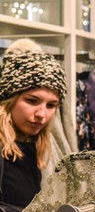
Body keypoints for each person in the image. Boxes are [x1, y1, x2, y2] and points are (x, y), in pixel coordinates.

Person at [0, 38, 67, 208]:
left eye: (51, 105)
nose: (41, 114)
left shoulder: (43, 147)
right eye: (32, 101)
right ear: (10, 100)